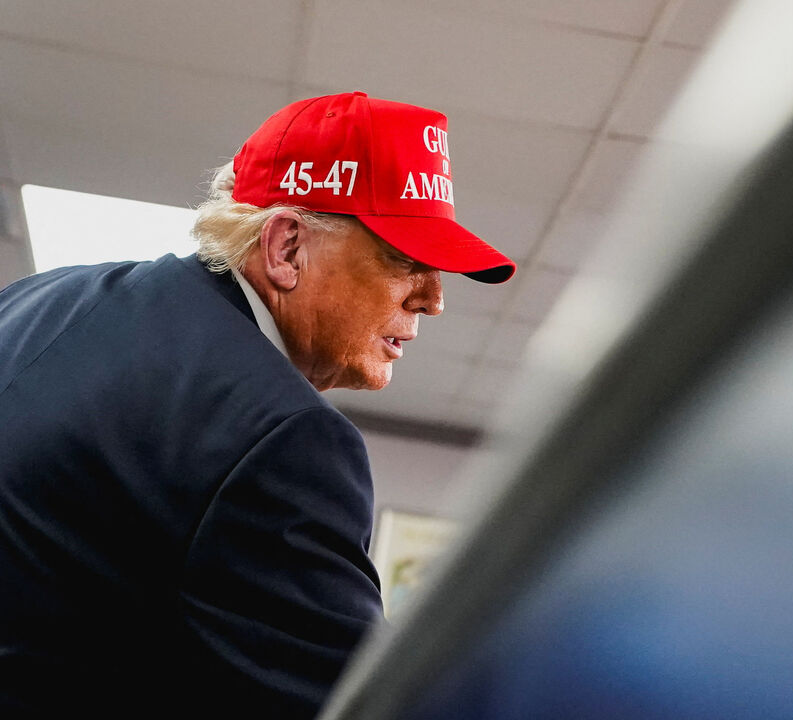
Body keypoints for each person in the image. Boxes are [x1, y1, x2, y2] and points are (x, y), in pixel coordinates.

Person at [0, 91, 515, 718]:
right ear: (287, 247)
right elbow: (352, 707)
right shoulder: (282, 437)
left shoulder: (41, 297)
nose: (433, 300)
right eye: (406, 260)